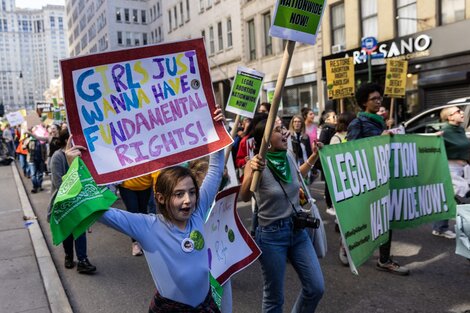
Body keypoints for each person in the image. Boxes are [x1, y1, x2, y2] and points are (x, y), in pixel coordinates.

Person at [65, 108, 225, 312]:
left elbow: (215, 170)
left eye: (192, 192)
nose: (188, 200)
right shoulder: (147, 226)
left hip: (206, 306)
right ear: (160, 197)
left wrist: (217, 128)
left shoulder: (198, 211)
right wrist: (75, 169)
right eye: (178, 194)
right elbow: (99, 210)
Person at [240, 118, 324, 312]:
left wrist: (313, 157)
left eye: (283, 128)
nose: (285, 132)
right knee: (274, 299)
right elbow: (244, 196)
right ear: (266, 141)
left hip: (297, 231)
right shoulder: (255, 164)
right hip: (270, 236)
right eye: (279, 130)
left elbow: (297, 177)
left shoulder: (288, 155)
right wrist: (252, 173)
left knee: (315, 287)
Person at [346, 82, 410, 275]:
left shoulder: (379, 121)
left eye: (379, 97)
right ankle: (348, 243)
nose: (378, 100)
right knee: (367, 218)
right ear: (364, 102)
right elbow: (352, 151)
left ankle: (384, 259)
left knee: (385, 218)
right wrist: (379, 139)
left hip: (383, 178)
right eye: (374, 98)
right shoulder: (357, 123)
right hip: (368, 181)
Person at [49, 128, 96, 273]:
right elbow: (58, 183)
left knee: (80, 229)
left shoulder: (80, 155)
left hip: (79, 200)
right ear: (67, 140)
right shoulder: (57, 157)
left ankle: (82, 260)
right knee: (68, 232)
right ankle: (69, 256)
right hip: (63, 201)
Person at [431, 106, 465, 239]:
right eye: (457, 111)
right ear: (449, 117)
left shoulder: (460, 130)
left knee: (449, 198)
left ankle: (440, 227)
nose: (462, 112)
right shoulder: (445, 131)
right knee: (457, 195)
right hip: (451, 169)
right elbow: (433, 145)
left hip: (463, 168)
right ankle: (440, 227)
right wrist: (435, 138)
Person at [118, 173, 155, 256]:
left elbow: (154, 167)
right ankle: (135, 243)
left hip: (145, 185)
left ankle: (144, 240)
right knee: (132, 214)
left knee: (143, 213)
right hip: (127, 186)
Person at [288, 114, 318, 183]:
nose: (297, 124)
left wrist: (313, 167)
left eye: (299, 122)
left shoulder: (305, 137)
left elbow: (308, 152)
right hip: (293, 162)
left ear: (302, 124)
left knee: (305, 184)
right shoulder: (288, 136)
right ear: (292, 124)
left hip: (304, 161)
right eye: (295, 122)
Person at [318, 110, 337, 216]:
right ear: (327, 120)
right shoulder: (326, 130)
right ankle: (329, 205)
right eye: (333, 116)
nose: (336, 118)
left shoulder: (335, 129)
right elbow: (323, 144)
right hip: (329, 161)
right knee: (329, 184)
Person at [24, 127, 47, 193]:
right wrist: (27, 142)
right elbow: (23, 147)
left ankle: (39, 186)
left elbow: (45, 150)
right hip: (32, 160)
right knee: (33, 174)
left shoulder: (42, 140)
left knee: (40, 174)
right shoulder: (29, 139)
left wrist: (45, 159)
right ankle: (35, 186)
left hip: (41, 159)